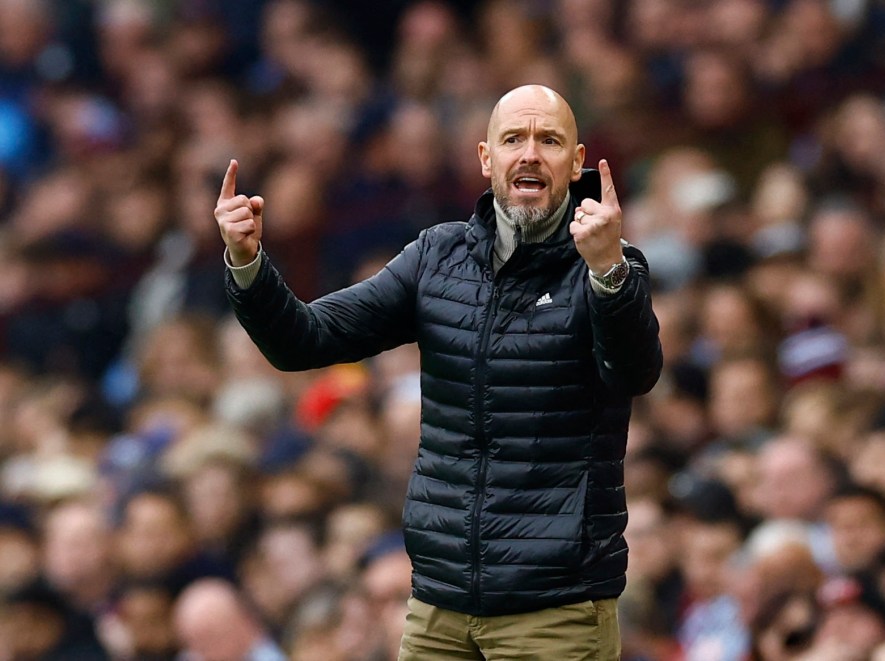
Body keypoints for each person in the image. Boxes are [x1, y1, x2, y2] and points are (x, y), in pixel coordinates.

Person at [215, 84, 662, 659]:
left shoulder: (610, 268)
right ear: (485, 158)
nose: (529, 153)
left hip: (553, 607)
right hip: (439, 606)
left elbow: (633, 373)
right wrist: (247, 261)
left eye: (549, 140)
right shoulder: (436, 257)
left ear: (576, 164)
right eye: (513, 139)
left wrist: (607, 271)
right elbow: (306, 339)